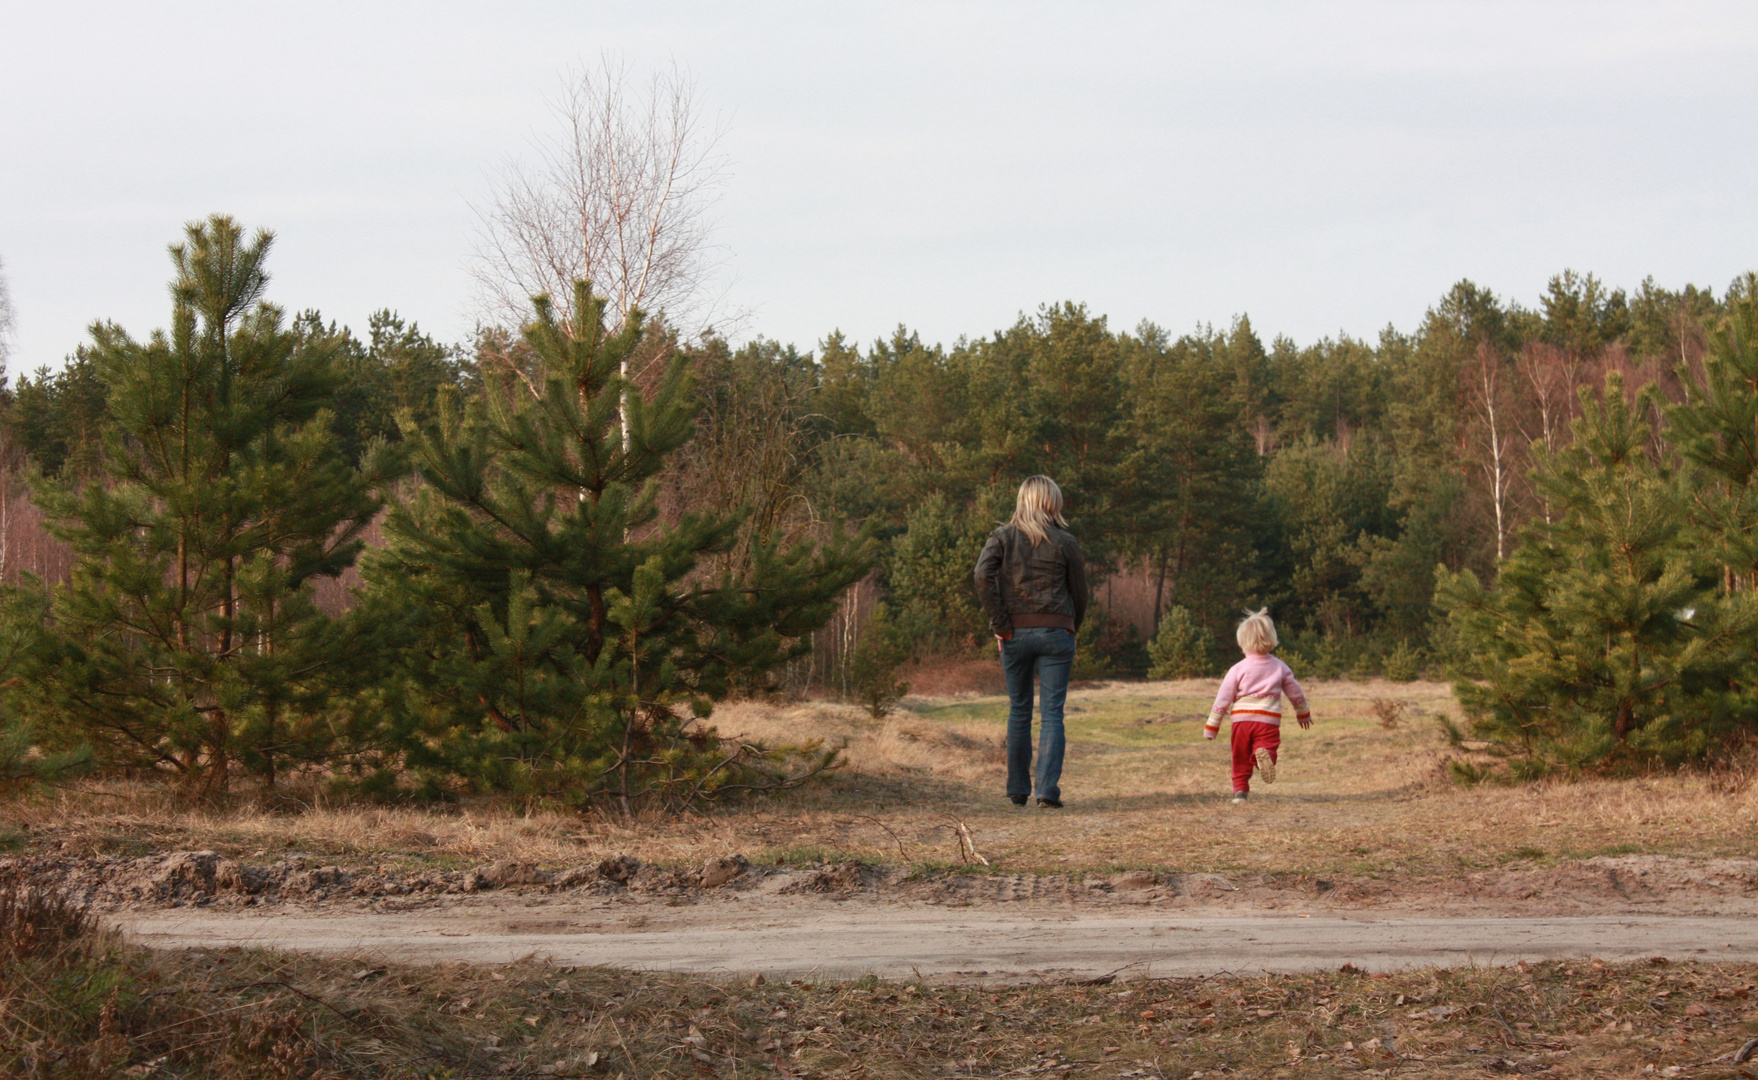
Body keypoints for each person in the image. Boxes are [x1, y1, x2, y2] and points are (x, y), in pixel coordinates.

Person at [973, 476, 1089, 808]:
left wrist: (1001, 624)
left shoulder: (1002, 537)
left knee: (1019, 709)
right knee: (1052, 713)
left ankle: (1017, 788)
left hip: (1014, 634)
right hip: (1057, 631)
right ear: (1052, 502)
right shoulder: (1065, 541)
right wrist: (1070, 627)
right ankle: (1047, 791)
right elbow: (1080, 593)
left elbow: (982, 575)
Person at [1204, 608, 1311, 804]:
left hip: (1242, 721)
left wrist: (1212, 725)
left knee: (1239, 756)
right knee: (1267, 746)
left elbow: (1223, 698)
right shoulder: (1280, 666)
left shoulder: (1238, 668)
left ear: (1243, 642)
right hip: (1268, 720)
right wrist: (1303, 713)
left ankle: (1240, 792)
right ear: (1271, 638)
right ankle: (1265, 757)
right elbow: (1295, 692)